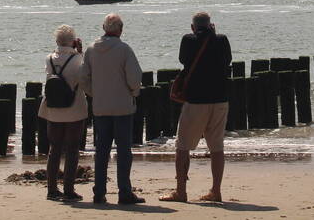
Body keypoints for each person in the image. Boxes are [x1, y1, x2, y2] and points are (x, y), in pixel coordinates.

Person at [160, 12, 233, 204]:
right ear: (210, 25)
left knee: (183, 146)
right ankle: (215, 191)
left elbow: (184, 60)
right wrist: (213, 35)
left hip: (196, 100)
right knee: (217, 147)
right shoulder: (222, 40)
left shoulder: (188, 39)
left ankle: (181, 191)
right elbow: (227, 61)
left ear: (193, 27)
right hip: (220, 99)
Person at [81, 13, 144, 205]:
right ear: (120, 29)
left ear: (104, 28)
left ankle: (99, 192)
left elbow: (84, 79)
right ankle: (124, 191)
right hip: (122, 107)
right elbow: (134, 78)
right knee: (124, 151)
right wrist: (133, 92)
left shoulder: (91, 50)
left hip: (100, 107)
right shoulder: (124, 49)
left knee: (102, 151)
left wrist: (95, 94)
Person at [38, 24, 89, 201]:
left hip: (53, 107)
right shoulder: (77, 60)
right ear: (73, 41)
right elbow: (83, 78)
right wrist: (80, 52)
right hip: (73, 106)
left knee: (54, 149)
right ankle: (69, 189)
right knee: (73, 149)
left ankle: (52, 189)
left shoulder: (49, 59)